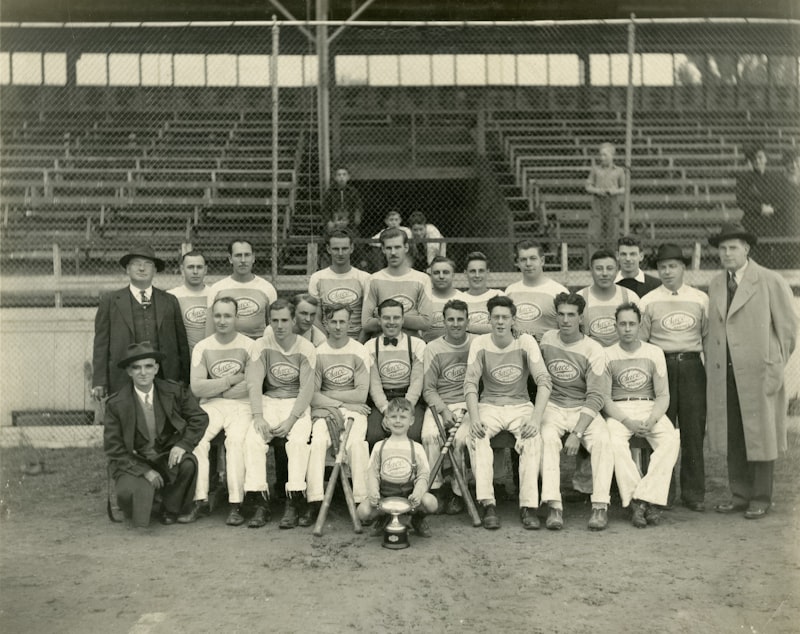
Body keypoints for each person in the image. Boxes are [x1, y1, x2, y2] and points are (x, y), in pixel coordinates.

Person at [706, 223, 798, 519]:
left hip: (759, 372)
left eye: (733, 247)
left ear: (747, 249)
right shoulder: (716, 284)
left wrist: (774, 364)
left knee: (760, 434)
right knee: (734, 433)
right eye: (722, 248)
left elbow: (787, 331)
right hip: (726, 372)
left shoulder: (769, 280)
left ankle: (761, 497)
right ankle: (739, 495)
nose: (727, 253)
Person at [464, 295, 552, 531]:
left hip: (520, 405)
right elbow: (470, 384)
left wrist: (535, 419)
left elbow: (544, 381)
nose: (500, 322)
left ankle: (529, 505)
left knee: (532, 438)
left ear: (513, 319)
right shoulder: (480, 343)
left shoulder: (526, 342)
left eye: (505, 317)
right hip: (489, 405)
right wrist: (474, 419)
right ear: (489, 319)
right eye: (496, 317)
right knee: (476, 436)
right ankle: (488, 503)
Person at [104, 342, 208, 528]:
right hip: (134, 460)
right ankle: (148, 499)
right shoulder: (116, 403)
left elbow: (199, 417)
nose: (143, 372)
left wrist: (183, 445)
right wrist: (144, 471)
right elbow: (114, 448)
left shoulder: (173, 391)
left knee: (187, 464)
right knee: (128, 495)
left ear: (156, 368)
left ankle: (170, 508)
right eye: (136, 367)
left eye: (148, 366)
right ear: (129, 371)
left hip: (165, 456)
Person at [639, 243, 709, 512]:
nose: (667, 272)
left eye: (673, 266)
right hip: (661, 367)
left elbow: (705, 336)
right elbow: (643, 342)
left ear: (683, 268)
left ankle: (694, 494)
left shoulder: (700, 299)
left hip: (691, 367)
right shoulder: (648, 301)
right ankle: (662, 493)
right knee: (662, 433)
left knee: (692, 431)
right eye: (662, 267)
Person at [538, 292, 613, 531]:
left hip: (583, 408)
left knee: (602, 440)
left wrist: (577, 432)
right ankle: (554, 506)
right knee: (547, 438)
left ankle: (600, 506)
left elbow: (596, 396)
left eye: (571, 315)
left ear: (581, 318)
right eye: (561, 314)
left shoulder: (594, 349)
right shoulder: (547, 340)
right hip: (554, 406)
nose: (566, 320)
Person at [604, 303, 681, 528]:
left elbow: (663, 395)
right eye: (622, 324)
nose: (627, 328)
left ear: (639, 325)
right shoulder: (607, 354)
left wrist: (652, 419)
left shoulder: (653, 352)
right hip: (620, 410)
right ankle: (642, 502)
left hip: (649, 408)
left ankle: (641, 499)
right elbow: (605, 399)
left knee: (670, 439)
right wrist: (627, 421)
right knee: (614, 443)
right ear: (615, 326)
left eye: (632, 324)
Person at [243, 299, 316, 529]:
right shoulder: (261, 345)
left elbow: (307, 389)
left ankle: (293, 502)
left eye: (285, 320)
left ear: (294, 320)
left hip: (296, 404)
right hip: (270, 400)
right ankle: (260, 502)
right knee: (253, 440)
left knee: (296, 442)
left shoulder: (306, 347)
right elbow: (254, 382)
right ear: (269, 321)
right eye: (274, 320)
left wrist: (292, 420)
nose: (280, 325)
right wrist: (258, 416)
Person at [189, 297, 257, 526]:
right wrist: (230, 380)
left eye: (228, 315)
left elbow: (252, 383)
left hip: (242, 405)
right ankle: (200, 500)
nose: (222, 320)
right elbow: (197, 386)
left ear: (237, 317)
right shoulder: (203, 346)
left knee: (235, 442)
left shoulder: (249, 345)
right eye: (217, 315)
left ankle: (236, 503)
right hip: (212, 405)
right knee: (197, 439)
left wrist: (217, 387)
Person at [92, 245, 190, 399]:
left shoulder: (169, 301)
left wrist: (185, 378)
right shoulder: (110, 301)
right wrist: (99, 381)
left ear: (155, 270)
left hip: (165, 377)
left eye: (148, 264)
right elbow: (101, 345)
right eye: (136, 263)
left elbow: (181, 343)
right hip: (123, 377)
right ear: (127, 270)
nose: (142, 268)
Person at [305, 304, 372, 527]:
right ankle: (314, 500)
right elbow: (312, 396)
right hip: (326, 409)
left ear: (350, 323)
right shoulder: (318, 352)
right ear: (325, 323)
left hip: (355, 410)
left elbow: (362, 394)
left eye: (343, 322)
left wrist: (331, 396)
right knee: (318, 443)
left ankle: (363, 502)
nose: (338, 326)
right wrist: (341, 402)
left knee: (356, 445)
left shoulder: (359, 350)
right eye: (333, 321)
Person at [356, 398, 438, 538]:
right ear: (386, 420)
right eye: (393, 417)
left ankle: (417, 519)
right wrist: (374, 492)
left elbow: (423, 476)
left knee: (431, 502)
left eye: (403, 417)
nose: (398, 421)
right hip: (385, 496)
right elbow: (372, 473)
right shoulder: (379, 446)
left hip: (409, 497)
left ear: (411, 420)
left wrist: (417, 494)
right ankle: (384, 517)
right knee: (362, 511)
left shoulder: (416, 448)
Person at [422, 299, 473, 515]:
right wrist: (443, 411)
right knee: (430, 436)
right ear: (443, 321)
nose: (455, 324)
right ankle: (436, 489)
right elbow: (429, 389)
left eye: (460, 319)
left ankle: (458, 492)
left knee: (461, 439)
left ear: (468, 320)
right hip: (440, 403)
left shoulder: (476, 343)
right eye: (450, 319)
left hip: (469, 403)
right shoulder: (433, 348)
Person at [365, 299, 427, 448]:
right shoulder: (370, 346)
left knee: (413, 434)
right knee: (373, 436)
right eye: (386, 318)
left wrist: (406, 409)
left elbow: (417, 382)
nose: (391, 322)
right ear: (379, 320)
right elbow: (374, 385)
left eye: (396, 318)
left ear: (403, 320)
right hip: (383, 400)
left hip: (410, 399)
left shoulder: (417, 344)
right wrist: (386, 411)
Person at [362, 227, 432, 338]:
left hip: (412, 347)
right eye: (389, 248)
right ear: (383, 249)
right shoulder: (373, 280)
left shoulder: (422, 279)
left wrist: (384, 316)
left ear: (406, 247)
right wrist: (411, 318)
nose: (393, 252)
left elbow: (426, 322)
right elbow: (366, 324)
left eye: (397, 247)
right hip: (381, 347)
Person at [205, 239, 277, 340]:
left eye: (247, 255)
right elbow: (209, 332)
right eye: (238, 255)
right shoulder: (217, 289)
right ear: (230, 259)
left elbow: (274, 327)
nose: (243, 260)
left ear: (253, 258)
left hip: (257, 348)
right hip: (227, 348)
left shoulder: (267, 288)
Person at [308, 229, 370, 340]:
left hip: (357, 340)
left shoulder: (364, 278)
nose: (340, 253)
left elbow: (367, 319)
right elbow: (315, 317)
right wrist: (327, 343)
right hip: (327, 340)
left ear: (352, 248)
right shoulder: (317, 278)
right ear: (328, 249)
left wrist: (359, 345)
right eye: (336, 249)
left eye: (344, 248)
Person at [735, 144, 787, 268]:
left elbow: (782, 200)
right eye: (754, 159)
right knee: (752, 261)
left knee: (771, 261)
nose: (757, 161)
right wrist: (760, 208)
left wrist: (773, 209)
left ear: (766, 159)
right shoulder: (744, 179)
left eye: (760, 157)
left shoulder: (776, 179)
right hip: (753, 223)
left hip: (772, 223)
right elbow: (741, 201)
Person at [504, 240, 567, 341]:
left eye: (533, 258)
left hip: (547, 353)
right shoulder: (510, 291)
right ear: (518, 263)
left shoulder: (558, 291)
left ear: (542, 261)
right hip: (517, 352)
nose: (528, 263)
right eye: (523, 259)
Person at [578, 249, 639, 348]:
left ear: (617, 270)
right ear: (591, 270)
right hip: (590, 359)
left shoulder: (630, 297)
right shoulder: (580, 298)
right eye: (599, 268)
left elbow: (639, 336)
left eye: (610, 268)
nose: (604, 273)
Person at [168, 250, 211, 355]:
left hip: (210, 356)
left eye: (199, 267)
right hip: (183, 357)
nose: (195, 271)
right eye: (190, 267)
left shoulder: (214, 294)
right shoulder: (172, 296)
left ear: (205, 270)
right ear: (182, 270)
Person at [585, 142, 625, 250]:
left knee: (613, 234)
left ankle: (612, 262)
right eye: (601, 155)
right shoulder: (595, 169)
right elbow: (588, 186)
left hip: (612, 202)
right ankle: (592, 262)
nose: (602, 158)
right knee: (594, 233)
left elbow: (624, 188)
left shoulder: (619, 171)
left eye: (605, 155)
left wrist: (614, 191)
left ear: (612, 155)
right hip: (598, 203)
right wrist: (597, 190)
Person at [423, 256, 464, 343]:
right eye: (436, 272)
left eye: (445, 272)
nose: (441, 276)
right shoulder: (424, 297)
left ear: (453, 275)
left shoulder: (462, 298)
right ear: (430, 275)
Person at [463, 251, 505, 335]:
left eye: (481, 271)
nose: (477, 275)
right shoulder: (458, 298)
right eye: (472, 271)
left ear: (487, 273)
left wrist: (468, 327)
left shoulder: (498, 295)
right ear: (465, 273)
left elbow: (502, 327)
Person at [322, 166, 363, 237]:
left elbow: (358, 206)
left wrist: (357, 216)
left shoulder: (353, 191)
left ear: (348, 177)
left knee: (356, 235)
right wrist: (328, 221)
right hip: (334, 219)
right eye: (339, 175)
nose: (341, 177)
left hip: (349, 220)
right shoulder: (330, 192)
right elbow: (325, 208)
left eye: (344, 174)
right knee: (328, 233)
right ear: (335, 178)